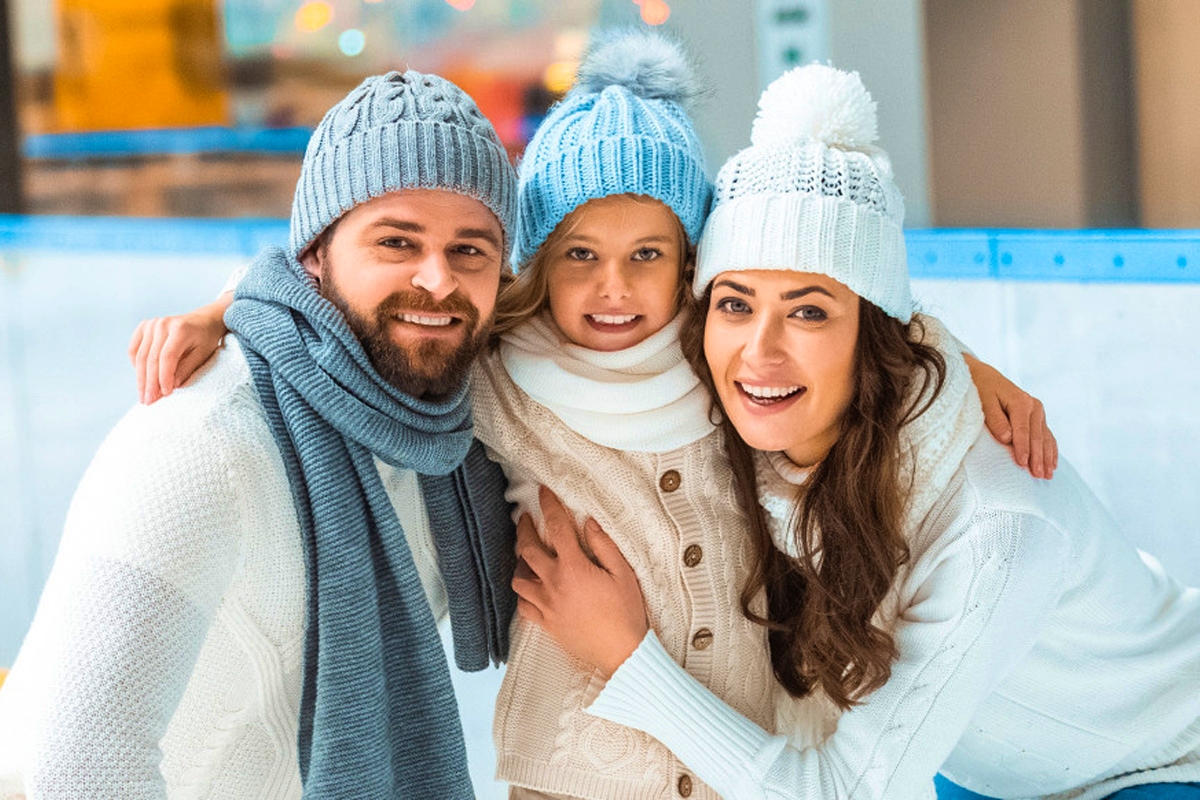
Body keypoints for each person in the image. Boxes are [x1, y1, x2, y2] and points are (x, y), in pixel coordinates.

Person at [121, 35, 1059, 800]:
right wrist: (224, 309)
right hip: (577, 768)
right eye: (579, 255)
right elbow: (327, 293)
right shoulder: (503, 370)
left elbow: (851, 311)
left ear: (690, 260)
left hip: (749, 748)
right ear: (538, 260)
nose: (614, 290)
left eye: (648, 253)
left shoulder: (723, 357)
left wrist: (969, 371)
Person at [511, 63, 1200, 800]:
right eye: (736, 304)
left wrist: (626, 656)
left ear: (873, 334)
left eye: (809, 312)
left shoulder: (997, 526)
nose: (759, 352)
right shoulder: (744, 405)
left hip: (1155, 763)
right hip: (984, 765)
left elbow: (845, 792)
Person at [0, 70, 519, 799]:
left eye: (471, 249)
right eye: (396, 241)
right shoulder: (204, 437)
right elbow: (80, 759)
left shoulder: (453, 435)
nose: (437, 279)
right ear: (313, 257)